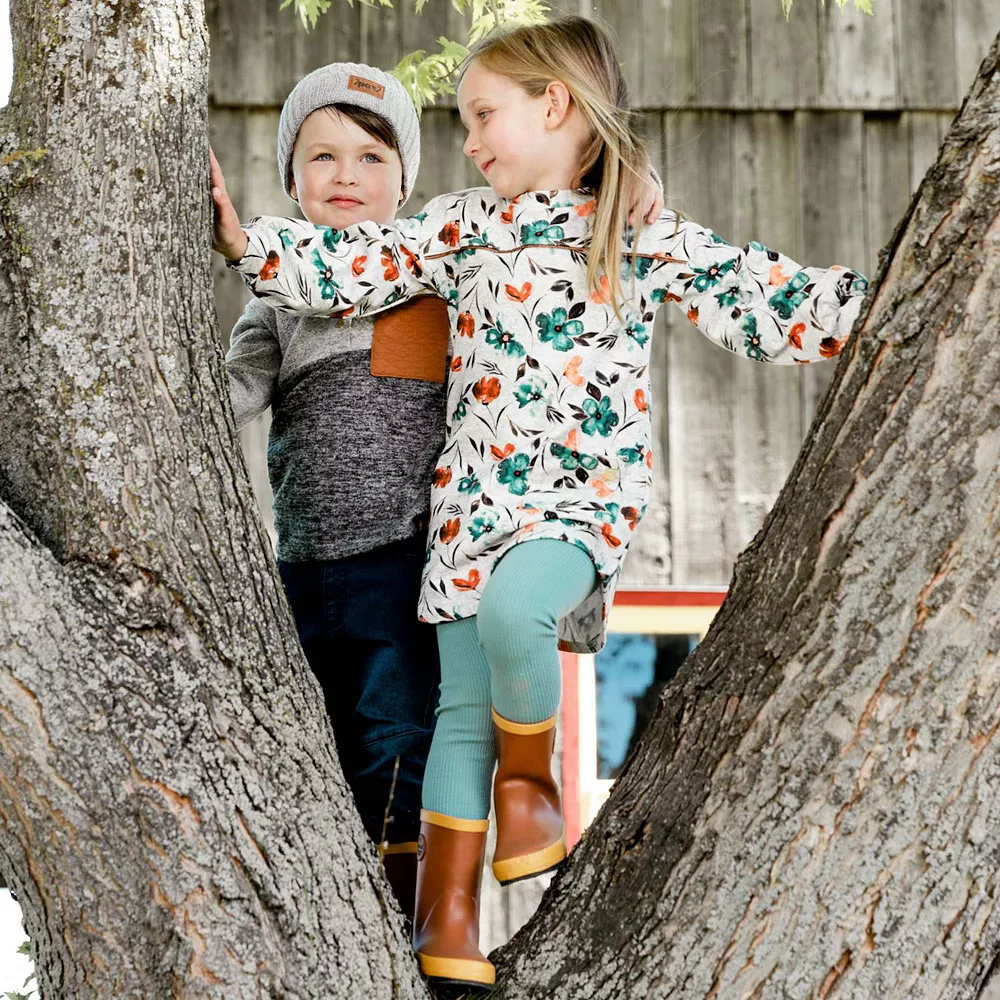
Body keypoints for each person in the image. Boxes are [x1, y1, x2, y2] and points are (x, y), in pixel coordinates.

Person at [211, 16, 867, 991]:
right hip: (461, 513)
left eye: (483, 116)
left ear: (553, 105)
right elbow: (355, 264)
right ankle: (446, 935)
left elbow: (746, 290)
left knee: (484, 650)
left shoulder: (634, 229)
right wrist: (244, 243)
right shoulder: (464, 226)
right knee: (448, 720)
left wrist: (867, 304)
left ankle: (530, 782)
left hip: (568, 506)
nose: (469, 139)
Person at [218, 61, 451, 924]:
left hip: (405, 557)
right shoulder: (278, 297)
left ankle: (398, 913)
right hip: (305, 563)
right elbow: (235, 390)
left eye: (369, 157)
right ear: (290, 180)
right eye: (321, 157)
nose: (345, 175)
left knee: (393, 734)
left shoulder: (437, 273)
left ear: (405, 182)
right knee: (311, 737)